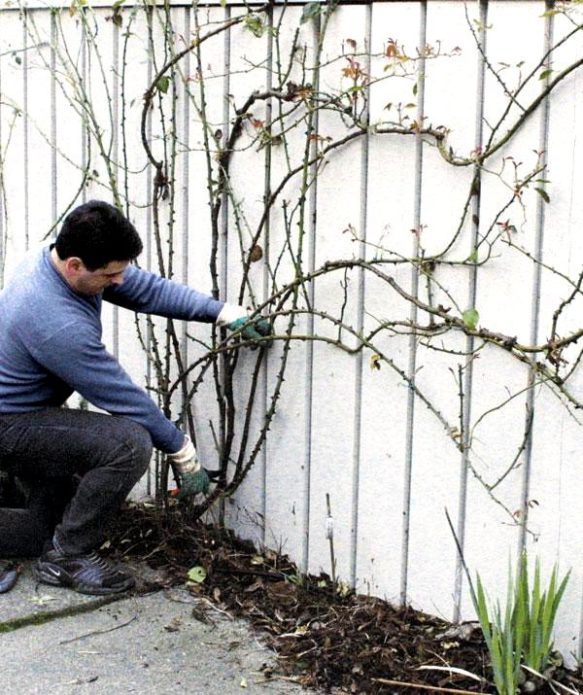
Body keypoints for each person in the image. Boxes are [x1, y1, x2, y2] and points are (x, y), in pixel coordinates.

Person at [0, 200, 271, 596]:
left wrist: (222, 313)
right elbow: (122, 398)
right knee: (127, 444)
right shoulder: (52, 320)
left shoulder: (54, 260)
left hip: (24, 412)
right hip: (10, 425)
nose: (119, 282)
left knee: (42, 527)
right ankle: (68, 558)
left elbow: (145, 289)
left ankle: (47, 535)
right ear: (76, 265)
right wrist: (180, 449)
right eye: (111, 275)